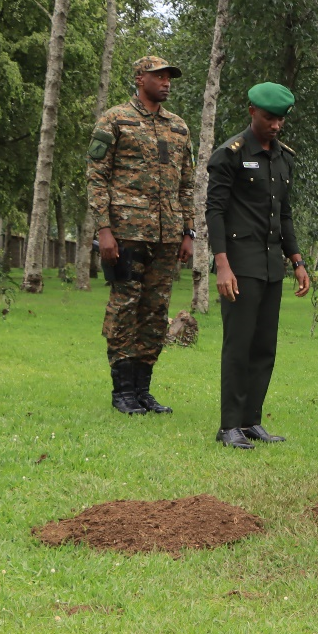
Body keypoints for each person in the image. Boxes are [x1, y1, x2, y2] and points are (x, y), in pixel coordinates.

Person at [85, 55, 195, 416]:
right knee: (125, 307)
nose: (166, 82)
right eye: (158, 76)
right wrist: (104, 230)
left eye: (168, 77)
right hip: (126, 233)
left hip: (167, 235)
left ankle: (143, 390)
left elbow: (187, 183)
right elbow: (96, 177)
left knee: (155, 311)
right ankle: (123, 392)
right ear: (139, 78)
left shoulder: (178, 127)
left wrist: (188, 231)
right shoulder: (115, 119)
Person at [205, 82, 311, 449]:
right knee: (239, 345)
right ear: (252, 111)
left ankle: (251, 421)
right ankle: (228, 426)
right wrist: (222, 264)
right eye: (269, 118)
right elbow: (215, 212)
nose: (276, 125)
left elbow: (285, 214)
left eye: (281, 119)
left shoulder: (283, 158)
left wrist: (297, 260)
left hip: (270, 266)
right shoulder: (229, 155)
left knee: (264, 346)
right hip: (239, 264)